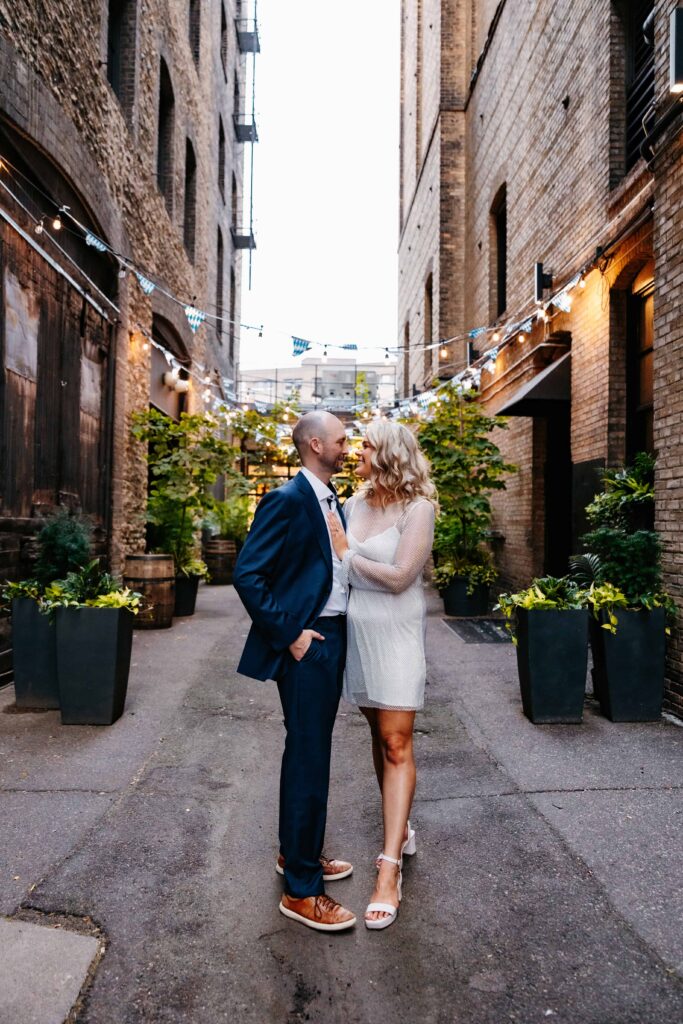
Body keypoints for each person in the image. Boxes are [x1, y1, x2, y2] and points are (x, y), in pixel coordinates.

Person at [232, 410, 357, 932]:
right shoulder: (285, 500)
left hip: (334, 638)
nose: (347, 446)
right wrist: (292, 636)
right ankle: (302, 891)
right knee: (308, 756)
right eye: (341, 439)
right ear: (313, 443)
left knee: (314, 752)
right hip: (307, 645)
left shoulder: (333, 501)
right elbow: (248, 574)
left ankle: (297, 855)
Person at [326, 418, 436, 930]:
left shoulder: (419, 509)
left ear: (390, 453)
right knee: (378, 734)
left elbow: (399, 578)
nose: (357, 453)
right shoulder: (353, 504)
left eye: (365, 445)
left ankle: (388, 870)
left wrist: (347, 556)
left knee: (397, 743)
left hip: (395, 635)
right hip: (358, 635)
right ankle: (402, 827)